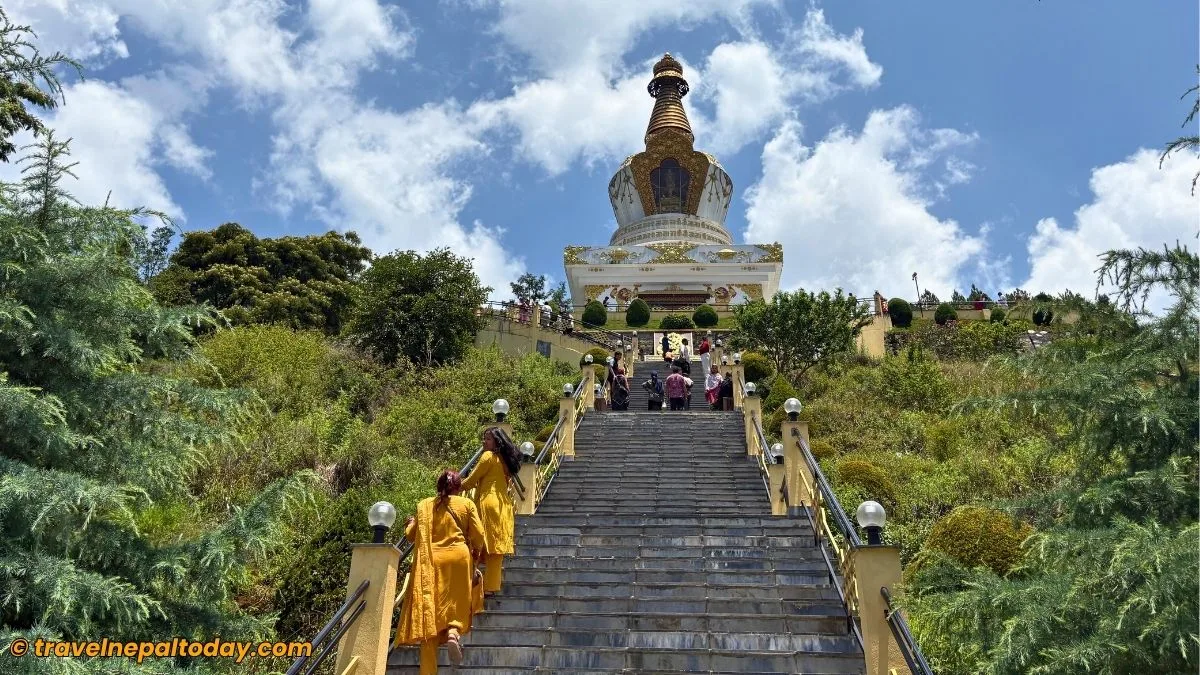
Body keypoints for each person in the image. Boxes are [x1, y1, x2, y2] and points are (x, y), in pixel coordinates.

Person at [393, 469, 487, 673]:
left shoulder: (426, 506)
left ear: (439, 487)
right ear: (458, 487)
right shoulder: (467, 504)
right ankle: (453, 631)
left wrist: (409, 524)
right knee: (457, 602)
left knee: (430, 618)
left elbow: (411, 536)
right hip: (460, 560)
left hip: (433, 562)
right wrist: (476, 552)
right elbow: (479, 536)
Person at [460, 427, 521, 597]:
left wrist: (455, 485)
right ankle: (490, 587)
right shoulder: (504, 461)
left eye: (487, 439)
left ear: (497, 442)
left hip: (488, 504)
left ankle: (468, 583)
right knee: (496, 548)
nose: (483, 442)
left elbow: (472, 479)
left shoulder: (488, 457)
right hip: (503, 507)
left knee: (476, 542)